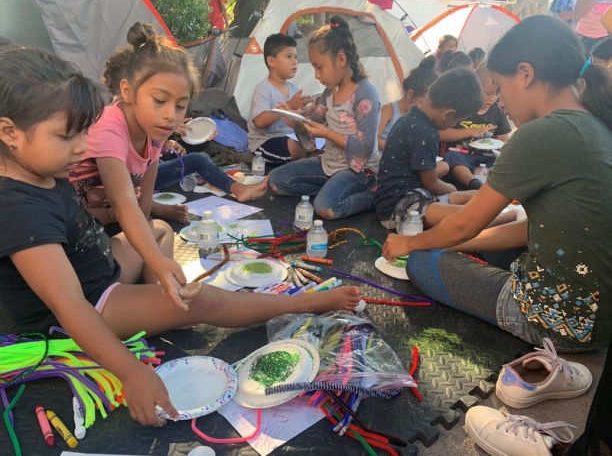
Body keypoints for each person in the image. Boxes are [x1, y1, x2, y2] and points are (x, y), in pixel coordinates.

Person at [0, 47, 361, 427]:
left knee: (157, 232)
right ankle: (303, 304)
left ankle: (158, 308)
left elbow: (132, 212)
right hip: (88, 305)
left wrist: (157, 266)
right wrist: (132, 373)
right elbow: (69, 302)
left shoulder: (43, 170)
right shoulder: (16, 206)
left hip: (100, 267)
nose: (81, 146)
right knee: (200, 300)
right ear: (9, 132)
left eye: (83, 133)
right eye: (66, 136)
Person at [382, 15, 612, 354]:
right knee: (470, 247)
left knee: (421, 264)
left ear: (526, 73)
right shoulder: (596, 125)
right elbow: (528, 229)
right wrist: (451, 244)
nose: (501, 103)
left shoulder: (542, 133)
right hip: (598, 320)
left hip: (557, 323)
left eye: (501, 89)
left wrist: (411, 244)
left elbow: (465, 223)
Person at [69, 22, 267, 248]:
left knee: (160, 233)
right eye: (160, 101)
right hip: (82, 232)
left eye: (181, 106)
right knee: (154, 244)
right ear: (127, 91)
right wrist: (158, 264)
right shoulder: (108, 126)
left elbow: (141, 211)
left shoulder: (154, 131)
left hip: (118, 219)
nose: (170, 116)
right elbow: (124, 205)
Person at [375, 68, 515, 231]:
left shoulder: (410, 118)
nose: (453, 126)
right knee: (465, 218)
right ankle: (501, 218)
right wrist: (451, 189)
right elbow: (432, 184)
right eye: (457, 121)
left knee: (465, 196)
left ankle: (487, 199)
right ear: (448, 114)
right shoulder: (426, 133)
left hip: (408, 194)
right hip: (399, 207)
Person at [268, 16, 380, 220]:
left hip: (358, 170)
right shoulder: (330, 92)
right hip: (329, 164)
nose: (317, 75)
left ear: (341, 60)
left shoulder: (365, 94)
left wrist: (327, 133)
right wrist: (294, 120)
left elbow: (365, 145)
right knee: (276, 181)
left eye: (319, 67)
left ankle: (374, 195)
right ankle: (331, 189)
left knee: (325, 208)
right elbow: (313, 122)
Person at [440, 64, 512, 190]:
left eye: (497, 94)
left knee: (500, 161)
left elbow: (503, 138)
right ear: (476, 89)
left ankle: (485, 183)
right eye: (488, 93)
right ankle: (473, 183)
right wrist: (470, 132)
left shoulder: (497, 111)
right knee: (452, 158)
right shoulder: (464, 108)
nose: (493, 98)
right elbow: (442, 133)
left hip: (487, 155)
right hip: (462, 153)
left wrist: (500, 146)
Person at [248, 33, 312, 164]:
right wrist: (289, 105)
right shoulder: (264, 88)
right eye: (288, 57)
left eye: (295, 57)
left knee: (315, 143)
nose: (294, 62)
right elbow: (259, 122)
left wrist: (311, 112)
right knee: (296, 147)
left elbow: (296, 119)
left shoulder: (293, 88)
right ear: (271, 61)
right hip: (265, 141)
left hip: (289, 137)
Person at [377, 55, 438, 151]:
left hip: (402, 161)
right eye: (420, 104)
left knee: (443, 165)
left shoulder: (415, 119)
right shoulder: (389, 110)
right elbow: (374, 139)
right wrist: (396, 150)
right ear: (410, 94)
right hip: (383, 158)